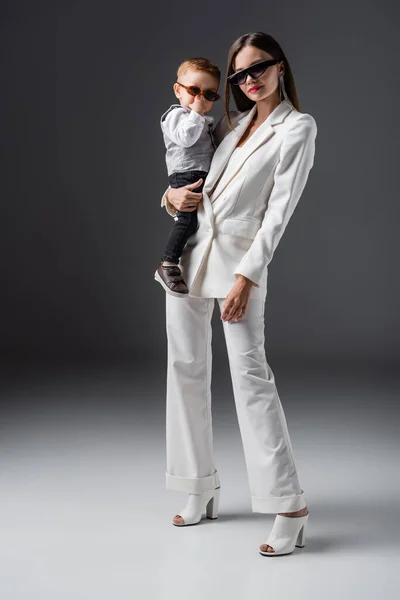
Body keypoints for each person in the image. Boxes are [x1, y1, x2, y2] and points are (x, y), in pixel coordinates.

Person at [159, 31, 317, 557]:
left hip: (238, 268)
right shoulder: (233, 124)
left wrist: (248, 277)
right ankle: (197, 484)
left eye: (259, 68)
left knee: (250, 377)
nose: (249, 80)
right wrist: (168, 194)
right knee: (184, 368)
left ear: (280, 66)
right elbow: (196, 182)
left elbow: (279, 213)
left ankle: (288, 505)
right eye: (239, 75)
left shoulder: (296, 128)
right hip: (189, 259)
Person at [155, 58, 221, 296]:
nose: (200, 99)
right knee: (187, 221)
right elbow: (186, 139)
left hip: (199, 174)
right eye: (194, 91)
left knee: (196, 223)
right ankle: (168, 264)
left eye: (209, 95)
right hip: (185, 174)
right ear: (177, 90)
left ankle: (184, 264)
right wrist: (197, 113)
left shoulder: (202, 118)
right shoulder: (176, 115)